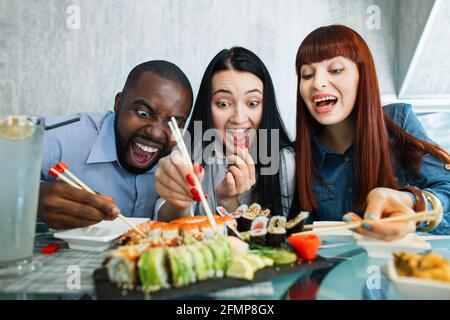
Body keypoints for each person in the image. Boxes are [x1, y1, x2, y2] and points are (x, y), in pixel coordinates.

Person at [291, 25, 450, 239]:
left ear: (362, 76)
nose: (317, 83)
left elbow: (445, 187)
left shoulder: (397, 121)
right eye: (307, 74)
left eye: (335, 70)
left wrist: (411, 203)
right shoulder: (298, 155)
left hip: (400, 266)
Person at [39, 60, 193, 229]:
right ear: (118, 103)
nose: (155, 133)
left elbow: (171, 224)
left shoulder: (180, 160)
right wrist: (34, 198)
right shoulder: (62, 138)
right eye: (143, 113)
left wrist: (180, 204)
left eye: (173, 124)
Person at [155, 47, 295, 221]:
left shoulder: (284, 162)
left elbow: (271, 241)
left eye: (252, 103)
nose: (238, 118)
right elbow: (164, 222)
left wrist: (228, 201)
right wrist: (178, 201)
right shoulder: (189, 151)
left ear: (265, 107)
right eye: (223, 104)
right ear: (207, 106)